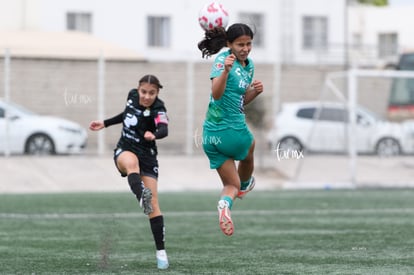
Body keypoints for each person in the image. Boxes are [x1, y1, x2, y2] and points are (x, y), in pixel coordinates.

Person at [89, 74, 169, 269]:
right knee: (131, 164)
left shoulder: (159, 108)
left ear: (157, 93)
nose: (147, 96)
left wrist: (154, 134)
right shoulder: (131, 96)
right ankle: (141, 195)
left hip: (148, 156)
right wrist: (106, 123)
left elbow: (164, 129)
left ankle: (161, 252)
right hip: (125, 149)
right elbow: (126, 115)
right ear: (138, 89)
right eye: (144, 92)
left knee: (154, 205)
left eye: (152, 93)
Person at [197, 23, 264, 236]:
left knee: (230, 187)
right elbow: (216, 94)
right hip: (232, 131)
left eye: (249, 44)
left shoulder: (249, 65)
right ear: (229, 44)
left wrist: (254, 93)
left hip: (211, 138)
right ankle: (246, 183)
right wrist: (225, 71)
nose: (245, 48)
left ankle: (224, 205)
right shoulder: (223, 61)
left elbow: (239, 101)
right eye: (240, 44)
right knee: (250, 146)